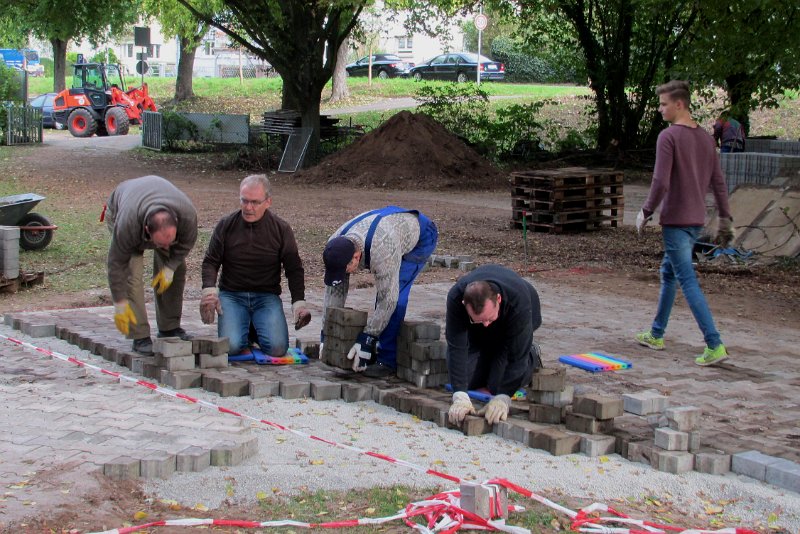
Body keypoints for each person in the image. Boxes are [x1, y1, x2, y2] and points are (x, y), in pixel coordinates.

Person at [636, 80, 734, 367]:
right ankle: (656, 334)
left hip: (676, 220)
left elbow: (660, 181)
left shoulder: (669, 137)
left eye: (664, 104)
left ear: (680, 104)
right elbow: (718, 182)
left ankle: (714, 344)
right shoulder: (705, 138)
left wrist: (646, 211)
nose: (660, 109)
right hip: (695, 220)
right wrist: (726, 217)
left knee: (686, 279)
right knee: (668, 272)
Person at [200, 174, 310, 357]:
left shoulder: (281, 229)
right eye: (244, 201)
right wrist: (209, 292)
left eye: (255, 202)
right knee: (232, 347)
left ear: (268, 202)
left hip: (266, 296)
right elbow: (210, 261)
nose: (248, 207)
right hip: (232, 295)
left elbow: (294, 269)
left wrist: (299, 304)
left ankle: (254, 327)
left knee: (277, 349)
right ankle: (246, 328)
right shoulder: (226, 225)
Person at [322, 206, 438, 378]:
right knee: (385, 294)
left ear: (356, 257)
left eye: (346, 269)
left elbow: (388, 300)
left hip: (420, 236)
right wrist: (327, 332)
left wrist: (368, 337)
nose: (344, 274)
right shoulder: (335, 244)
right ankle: (373, 350)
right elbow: (335, 290)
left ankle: (387, 360)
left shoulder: (382, 252)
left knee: (395, 296)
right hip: (386, 225)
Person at [105, 175, 198, 356]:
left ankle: (169, 327)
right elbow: (117, 264)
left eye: (169, 242)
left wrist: (170, 267)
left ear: (177, 224)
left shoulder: (187, 215)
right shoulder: (127, 224)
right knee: (132, 276)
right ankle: (139, 336)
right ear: (147, 230)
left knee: (177, 269)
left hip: (149, 205)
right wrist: (120, 303)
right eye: (160, 244)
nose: (164, 247)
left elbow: (185, 244)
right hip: (121, 208)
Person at [446, 264, 543, 426]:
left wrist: (503, 398)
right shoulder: (456, 298)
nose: (485, 324)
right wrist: (460, 395)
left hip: (514, 329)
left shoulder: (518, 301)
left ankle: (533, 355)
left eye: (489, 318)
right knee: (465, 380)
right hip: (477, 334)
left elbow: (517, 358)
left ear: (498, 299)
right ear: (464, 303)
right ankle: (489, 357)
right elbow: (456, 346)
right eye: (479, 320)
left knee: (498, 384)